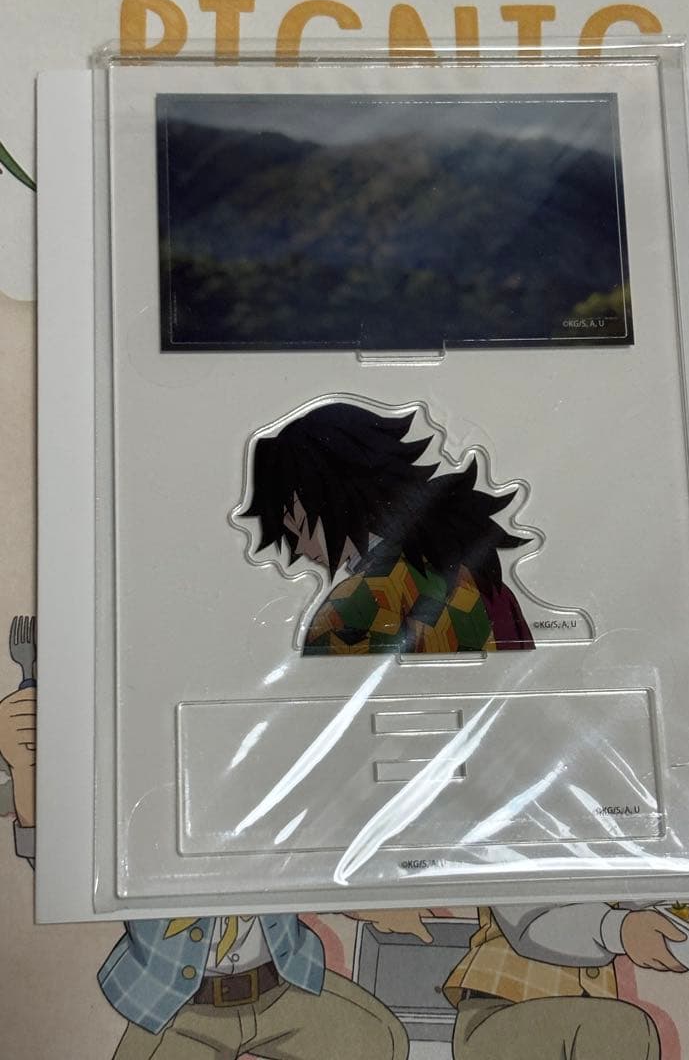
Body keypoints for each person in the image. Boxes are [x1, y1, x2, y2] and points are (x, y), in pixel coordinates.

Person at [0, 682, 416, 1059]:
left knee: (381, 1038)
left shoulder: (277, 786)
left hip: (283, 986)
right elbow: (64, 867)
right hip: (178, 1007)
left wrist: (377, 895)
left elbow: (321, 855)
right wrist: (25, 770)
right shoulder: (138, 802)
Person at [241, 402, 534, 655]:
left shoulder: (354, 608)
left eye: (295, 521)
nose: (297, 544)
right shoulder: (479, 577)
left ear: (330, 498)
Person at [444, 904, 688, 1060]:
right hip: (499, 1017)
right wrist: (620, 929)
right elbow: (529, 924)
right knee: (620, 1029)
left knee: (620, 1033)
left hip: (583, 1030)